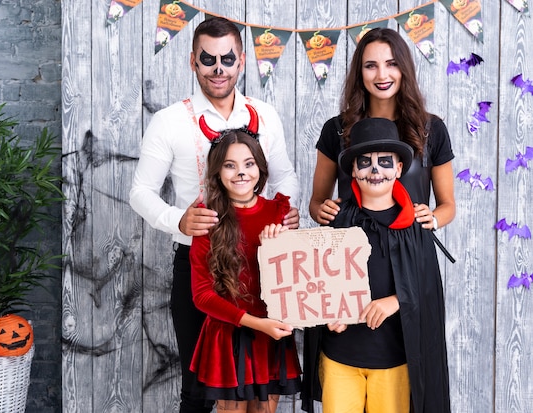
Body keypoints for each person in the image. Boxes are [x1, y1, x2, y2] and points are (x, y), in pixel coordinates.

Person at [129, 16, 300, 413]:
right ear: (193, 62)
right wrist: (178, 220)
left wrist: (284, 212)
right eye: (208, 59)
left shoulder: (266, 114)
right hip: (201, 265)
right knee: (199, 387)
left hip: (262, 265)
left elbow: (286, 175)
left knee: (264, 382)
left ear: (241, 61)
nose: (218, 68)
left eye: (227, 59)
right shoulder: (169, 120)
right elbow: (140, 191)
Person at [301, 118, 451, 413]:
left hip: (393, 359)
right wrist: (327, 312)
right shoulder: (336, 222)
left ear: (398, 169)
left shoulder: (416, 224)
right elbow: (313, 282)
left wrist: (396, 301)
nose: (375, 170)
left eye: (384, 161)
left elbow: (428, 288)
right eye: (365, 162)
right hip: (341, 356)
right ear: (353, 170)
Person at [189, 122, 302, 413]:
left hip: (272, 334)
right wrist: (255, 323)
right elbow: (202, 295)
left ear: (260, 168)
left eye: (248, 163)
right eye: (230, 165)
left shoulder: (279, 212)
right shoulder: (207, 219)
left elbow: (298, 278)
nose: (241, 172)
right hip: (229, 335)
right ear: (217, 172)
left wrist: (279, 247)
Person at [309, 27, 455, 234]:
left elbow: (448, 205)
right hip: (352, 254)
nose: (382, 75)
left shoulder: (431, 129)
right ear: (360, 72)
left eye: (392, 64)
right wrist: (321, 211)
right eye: (371, 66)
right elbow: (316, 202)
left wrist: (433, 218)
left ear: (404, 68)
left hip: (411, 251)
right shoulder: (336, 129)